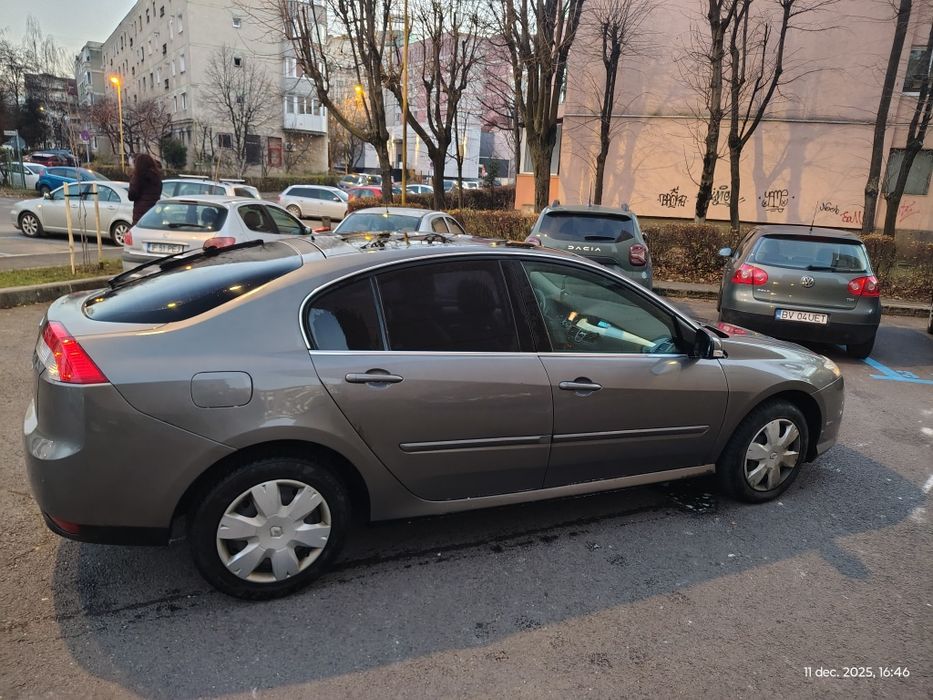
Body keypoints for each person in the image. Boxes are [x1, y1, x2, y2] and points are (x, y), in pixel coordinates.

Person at [127, 153, 163, 224]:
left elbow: (131, 196)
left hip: (141, 215)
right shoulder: (157, 177)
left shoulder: (137, 178)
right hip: (154, 212)